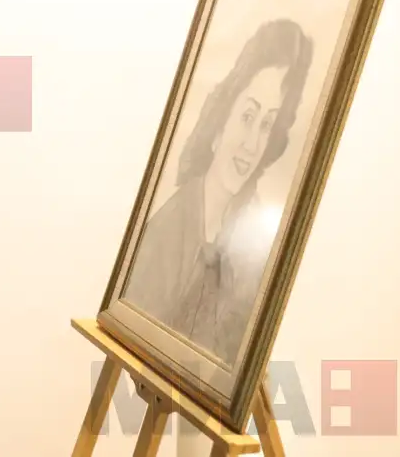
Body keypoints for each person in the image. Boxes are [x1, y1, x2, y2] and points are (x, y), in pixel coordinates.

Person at [123, 18, 313, 365]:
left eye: (266, 124)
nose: (252, 143)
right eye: (247, 117)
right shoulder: (167, 231)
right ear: (222, 120)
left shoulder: (254, 243)